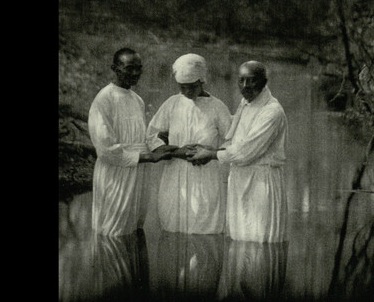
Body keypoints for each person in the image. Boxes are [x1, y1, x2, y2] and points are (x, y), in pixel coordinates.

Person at [188, 61, 287, 243]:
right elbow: (234, 138)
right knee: (240, 240)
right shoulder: (246, 103)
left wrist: (211, 154)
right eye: (241, 81)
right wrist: (212, 148)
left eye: (251, 81)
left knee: (259, 240)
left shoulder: (272, 111)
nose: (245, 86)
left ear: (264, 81)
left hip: (260, 183)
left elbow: (246, 152)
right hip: (240, 179)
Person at [88, 47, 172, 236]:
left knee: (134, 228)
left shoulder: (137, 100)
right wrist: (148, 157)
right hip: (116, 174)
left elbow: (141, 138)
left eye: (138, 68)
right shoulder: (104, 99)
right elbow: (105, 149)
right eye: (129, 68)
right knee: (113, 231)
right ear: (115, 68)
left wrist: (163, 144)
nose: (135, 73)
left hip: (139, 173)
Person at [145, 53, 232, 234]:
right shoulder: (172, 104)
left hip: (205, 176)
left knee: (204, 232)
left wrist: (212, 152)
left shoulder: (217, 107)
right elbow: (152, 135)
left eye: (192, 87)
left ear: (202, 81)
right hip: (174, 176)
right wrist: (177, 152)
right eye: (182, 87)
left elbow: (234, 141)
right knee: (172, 227)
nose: (187, 92)